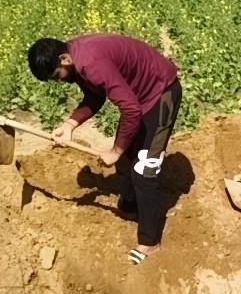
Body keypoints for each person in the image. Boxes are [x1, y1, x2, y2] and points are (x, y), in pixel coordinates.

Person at [27, 34, 180, 264]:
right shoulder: (77, 60)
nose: (59, 81)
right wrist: (70, 125)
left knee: (144, 173)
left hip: (161, 94)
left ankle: (149, 243)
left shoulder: (91, 63)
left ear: (64, 59)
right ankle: (131, 207)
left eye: (56, 76)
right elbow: (94, 95)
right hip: (139, 100)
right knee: (127, 162)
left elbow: (130, 110)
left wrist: (115, 150)